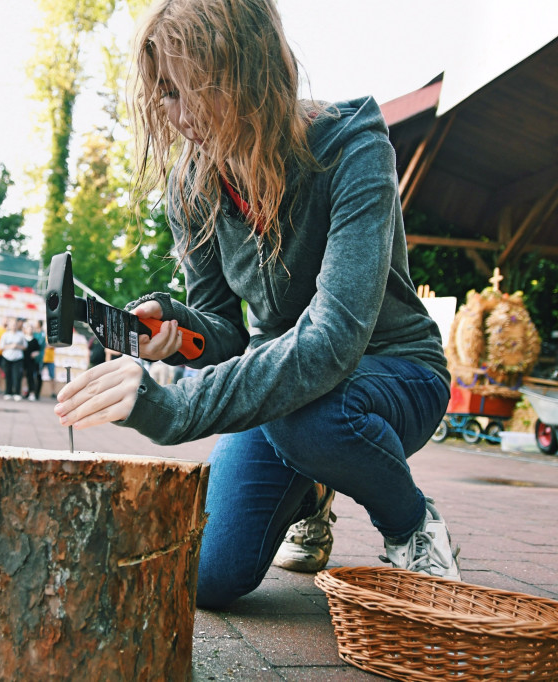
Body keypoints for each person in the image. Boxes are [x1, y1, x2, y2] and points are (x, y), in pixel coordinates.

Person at [53, 0, 458, 611]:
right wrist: (178, 325)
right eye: (166, 93)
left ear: (253, 70)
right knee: (208, 578)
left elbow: (331, 342)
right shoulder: (191, 187)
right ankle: (313, 487)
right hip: (288, 397)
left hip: (397, 373)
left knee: (311, 416)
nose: (182, 116)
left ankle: (408, 525)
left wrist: (172, 408)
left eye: (197, 89)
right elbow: (226, 332)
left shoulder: (354, 143)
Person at [0, 318, 26, 402]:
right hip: (7, 358)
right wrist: (11, 346)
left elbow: (25, 346)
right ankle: (8, 392)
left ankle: (17, 393)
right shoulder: (5, 335)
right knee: (8, 376)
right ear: (10, 325)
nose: (14, 326)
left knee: (17, 376)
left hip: (18, 358)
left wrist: (17, 346)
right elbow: (1, 347)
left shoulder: (21, 335)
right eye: (12, 325)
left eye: (15, 325)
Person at [22, 321, 42, 401]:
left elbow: (38, 350)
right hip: (22, 361)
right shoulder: (22, 339)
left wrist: (35, 353)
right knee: (23, 377)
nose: (30, 330)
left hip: (31, 362)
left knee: (31, 377)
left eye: (31, 328)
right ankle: (24, 392)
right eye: (28, 328)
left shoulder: (35, 340)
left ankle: (32, 393)